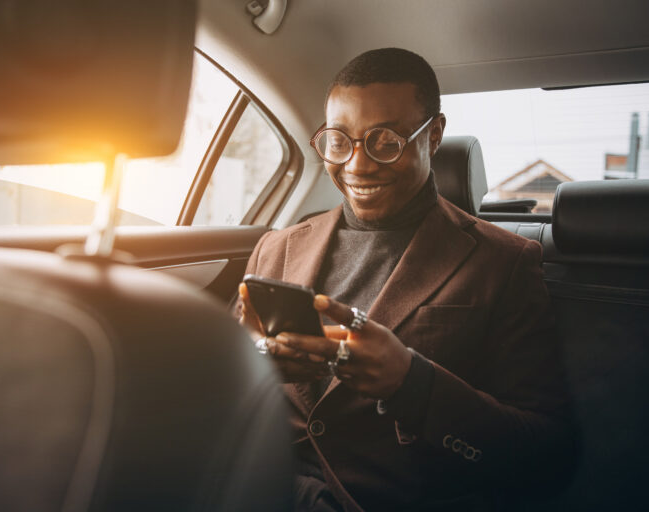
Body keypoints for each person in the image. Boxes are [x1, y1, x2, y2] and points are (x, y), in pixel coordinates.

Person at [238, 48, 573, 511]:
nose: (357, 165)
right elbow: (230, 388)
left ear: (433, 136)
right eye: (339, 140)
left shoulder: (504, 261)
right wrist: (254, 358)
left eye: (385, 141)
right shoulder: (276, 248)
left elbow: (546, 454)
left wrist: (411, 383)